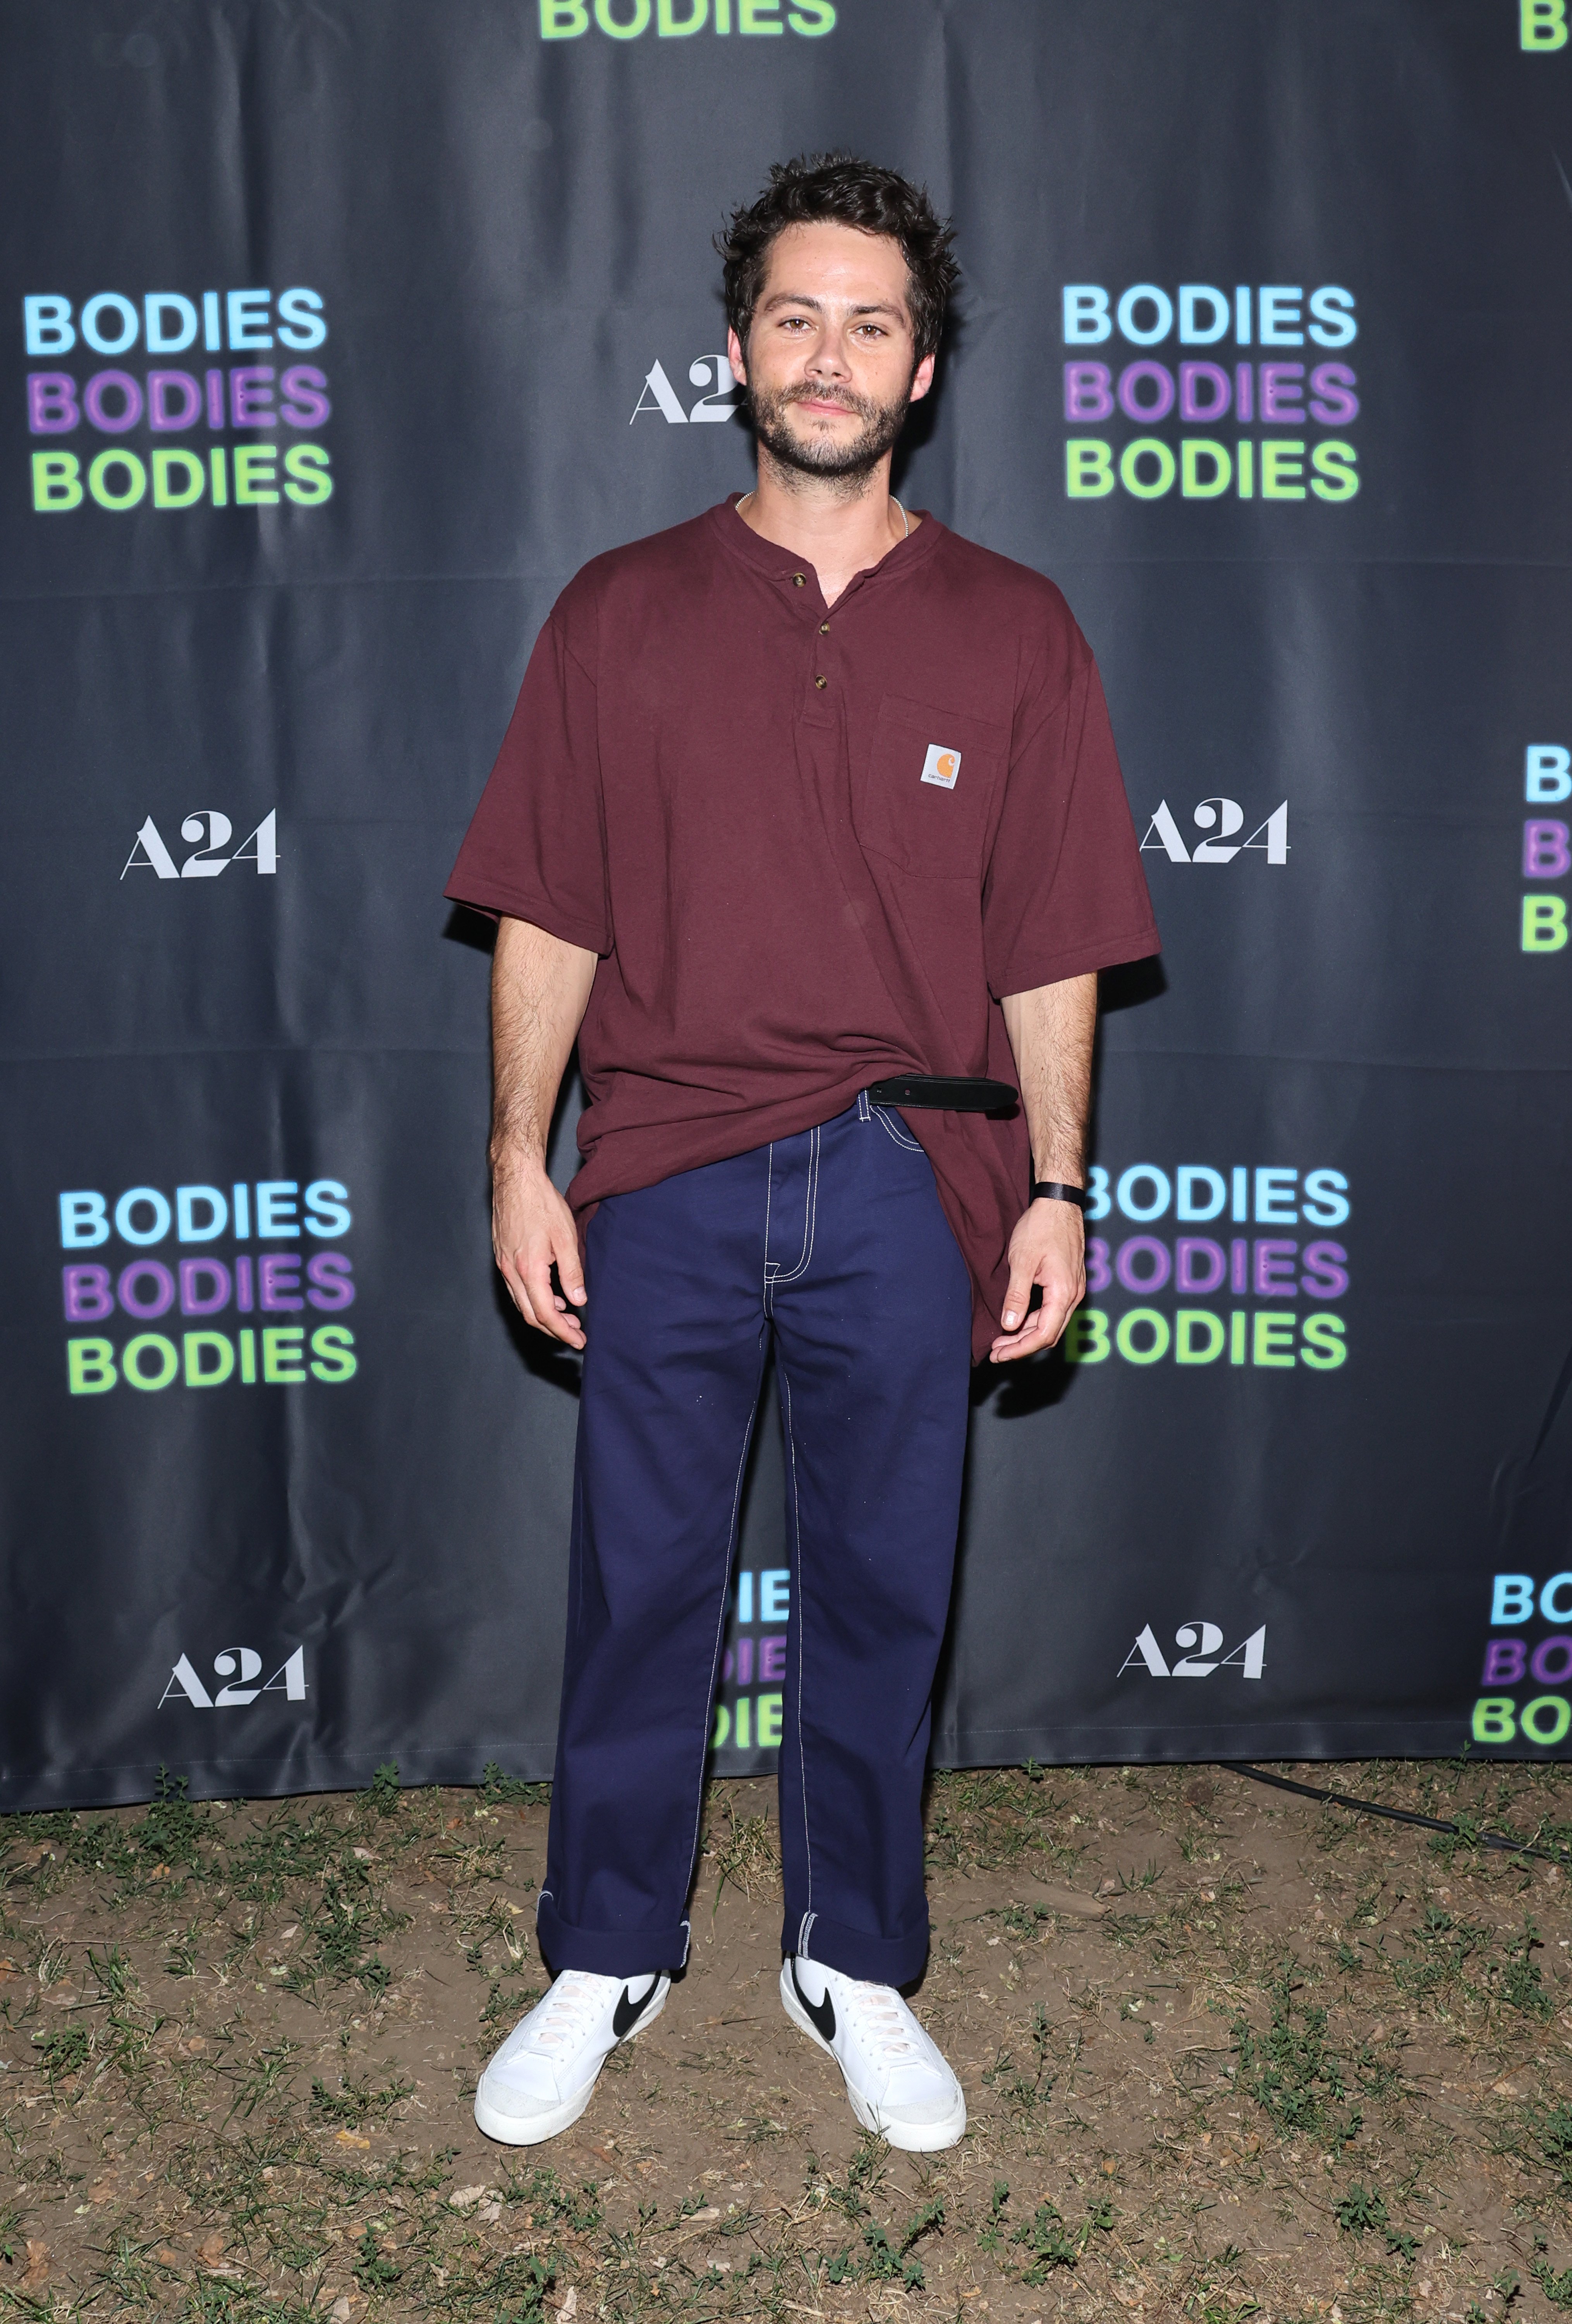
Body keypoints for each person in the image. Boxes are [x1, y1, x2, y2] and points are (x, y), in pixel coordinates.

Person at [444, 153, 1158, 2154]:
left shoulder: (1017, 629)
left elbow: (1055, 945)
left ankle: (856, 1955)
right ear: (733, 351)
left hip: (908, 1181)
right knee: (643, 1586)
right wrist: (522, 1154)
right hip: (661, 1167)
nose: (828, 353)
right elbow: (548, 913)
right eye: (793, 315)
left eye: (869, 321)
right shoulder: (620, 612)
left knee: (884, 1591)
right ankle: (609, 1947)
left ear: (922, 369)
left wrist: (1061, 1187)